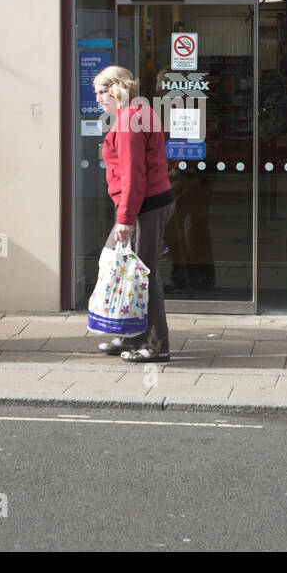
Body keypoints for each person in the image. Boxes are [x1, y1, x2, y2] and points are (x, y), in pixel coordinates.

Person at [93, 65, 175, 363]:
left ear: (117, 89)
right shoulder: (139, 111)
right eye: (96, 92)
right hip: (146, 203)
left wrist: (125, 219)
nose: (98, 98)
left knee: (142, 275)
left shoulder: (130, 121)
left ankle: (156, 345)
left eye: (102, 91)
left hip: (144, 207)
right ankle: (133, 335)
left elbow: (133, 177)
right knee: (117, 264)